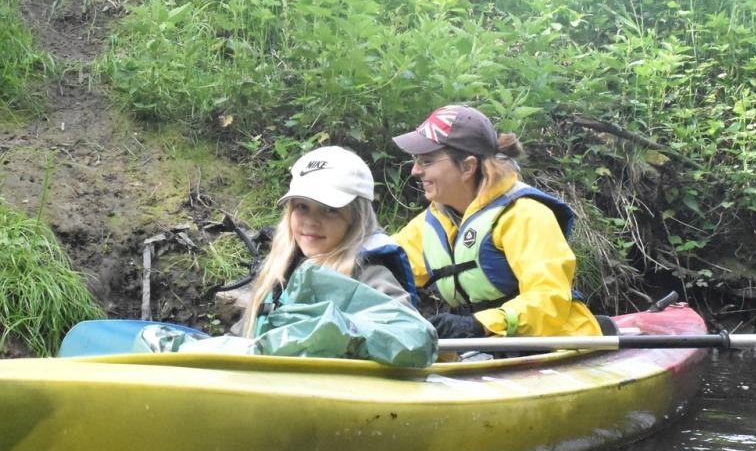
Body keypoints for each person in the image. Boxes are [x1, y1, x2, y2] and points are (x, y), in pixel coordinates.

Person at [390, 104, 604, 340]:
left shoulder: (525, 214)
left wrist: (480, 324)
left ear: (467, 167)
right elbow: (384, 261)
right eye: (417, 160)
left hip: (558, 342)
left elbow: (549, 297)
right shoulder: (432, 222)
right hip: (490, 347)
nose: (415, 171)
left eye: (427, 161)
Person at [237, 145, 416, 337]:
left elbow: (408, 333)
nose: (310, 221)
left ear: (356, 218)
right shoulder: (280, 267)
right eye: (302, 207)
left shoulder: (370, 276)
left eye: (329, 209)